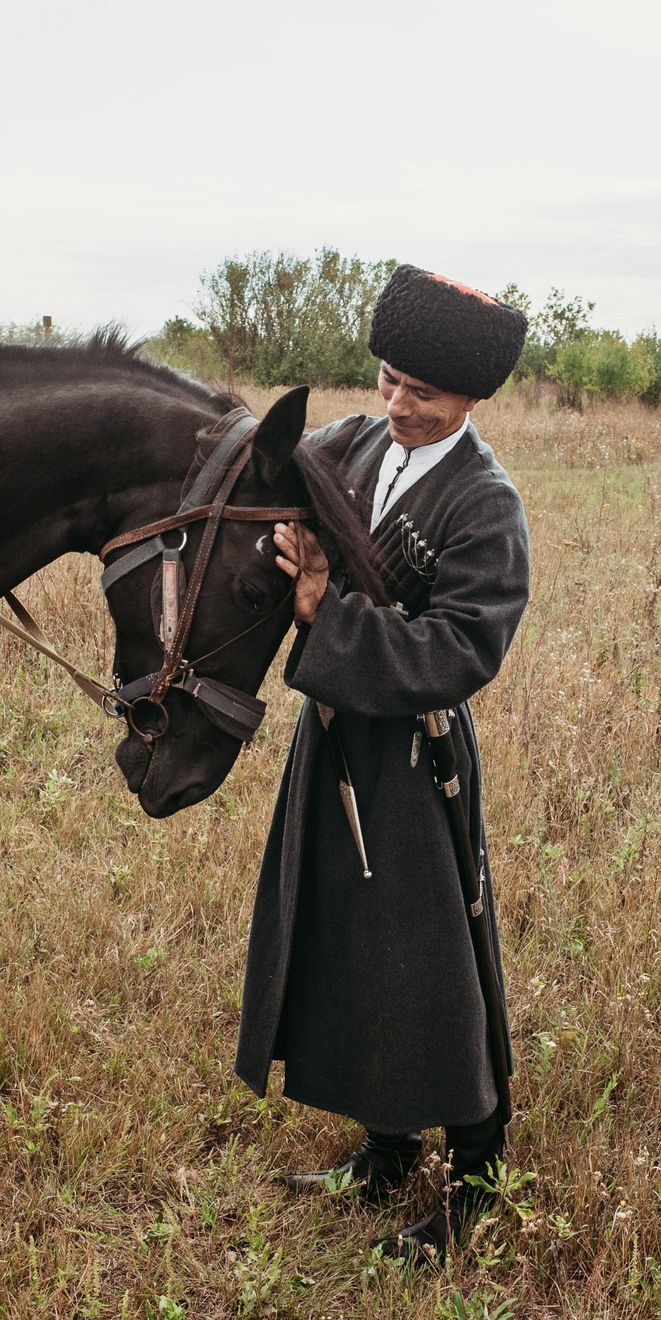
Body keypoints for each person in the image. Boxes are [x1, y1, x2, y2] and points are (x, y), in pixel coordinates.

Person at [236, 264, 533, 1264]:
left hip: (414, 759)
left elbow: (462, 649)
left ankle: (476, 1173)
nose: (400, 405)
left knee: (432, 964)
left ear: (473, 397)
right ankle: (389, 1147)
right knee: (352, 947)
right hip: (331, 735)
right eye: (390, 379)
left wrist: (330, 612)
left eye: (425, 392)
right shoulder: (352, 445)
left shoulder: (486, 504)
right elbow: (261, 473)